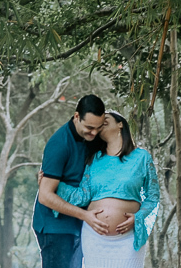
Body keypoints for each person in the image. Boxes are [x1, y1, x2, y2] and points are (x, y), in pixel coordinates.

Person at [53, 112, 159, 268]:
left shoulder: (141, 157)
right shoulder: (94, 159)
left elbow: (153, 196)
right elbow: (83, 196)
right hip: (94, 237)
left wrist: (138, 217)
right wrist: (54, 182)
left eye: (105, 120)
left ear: (120, 124)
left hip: (128, 239)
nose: (100, 123)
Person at [34, 94, 108, 268]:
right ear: (76, 117)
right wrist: (85, 215)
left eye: (98, 128)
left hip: (79, 226)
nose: (94, 133)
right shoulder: (59, 144)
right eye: (90, 127)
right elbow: (45, 196)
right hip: (55, 228)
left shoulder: (93, 138)